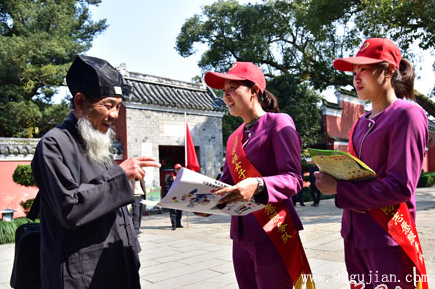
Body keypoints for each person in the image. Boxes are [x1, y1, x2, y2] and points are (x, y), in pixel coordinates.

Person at [31, 55, 161, 289]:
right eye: (108, 105)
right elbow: (69, 207)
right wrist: (120, 175)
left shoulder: (98, 143)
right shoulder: (53, 145)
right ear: (80, 102)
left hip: (117, 262)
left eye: (118, 107)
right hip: (81, 273)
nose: (114, 115)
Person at [315, 38, 429, 289]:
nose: (356, 78)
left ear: (389, 70)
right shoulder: (361, 123)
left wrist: (339, 189)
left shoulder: (407, 115)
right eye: (353, 72)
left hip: (387, 237)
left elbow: (400, 187)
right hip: (355, 235)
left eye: (363, 69)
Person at [203, 62, 313, 289]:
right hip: (240, 234)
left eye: (232, 88)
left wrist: (259, 184)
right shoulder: (234, 138)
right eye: (223, 91)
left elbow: (294, 178)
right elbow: (226, 183)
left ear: (254, 90)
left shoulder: (279, 123)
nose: (226, 96)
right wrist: (202, 200)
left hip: (272, 231)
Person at [165, 163, 183, 230]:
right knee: (173, 211)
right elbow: (167, 186)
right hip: (172, 196)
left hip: (180, 196)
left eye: (179, 169)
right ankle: (174, 225)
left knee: (179, 211)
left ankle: (178, 223)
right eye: (177, 169)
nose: (178, 170)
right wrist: (170, 193)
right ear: (175, 169)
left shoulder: (183, 177)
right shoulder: (170, 177)